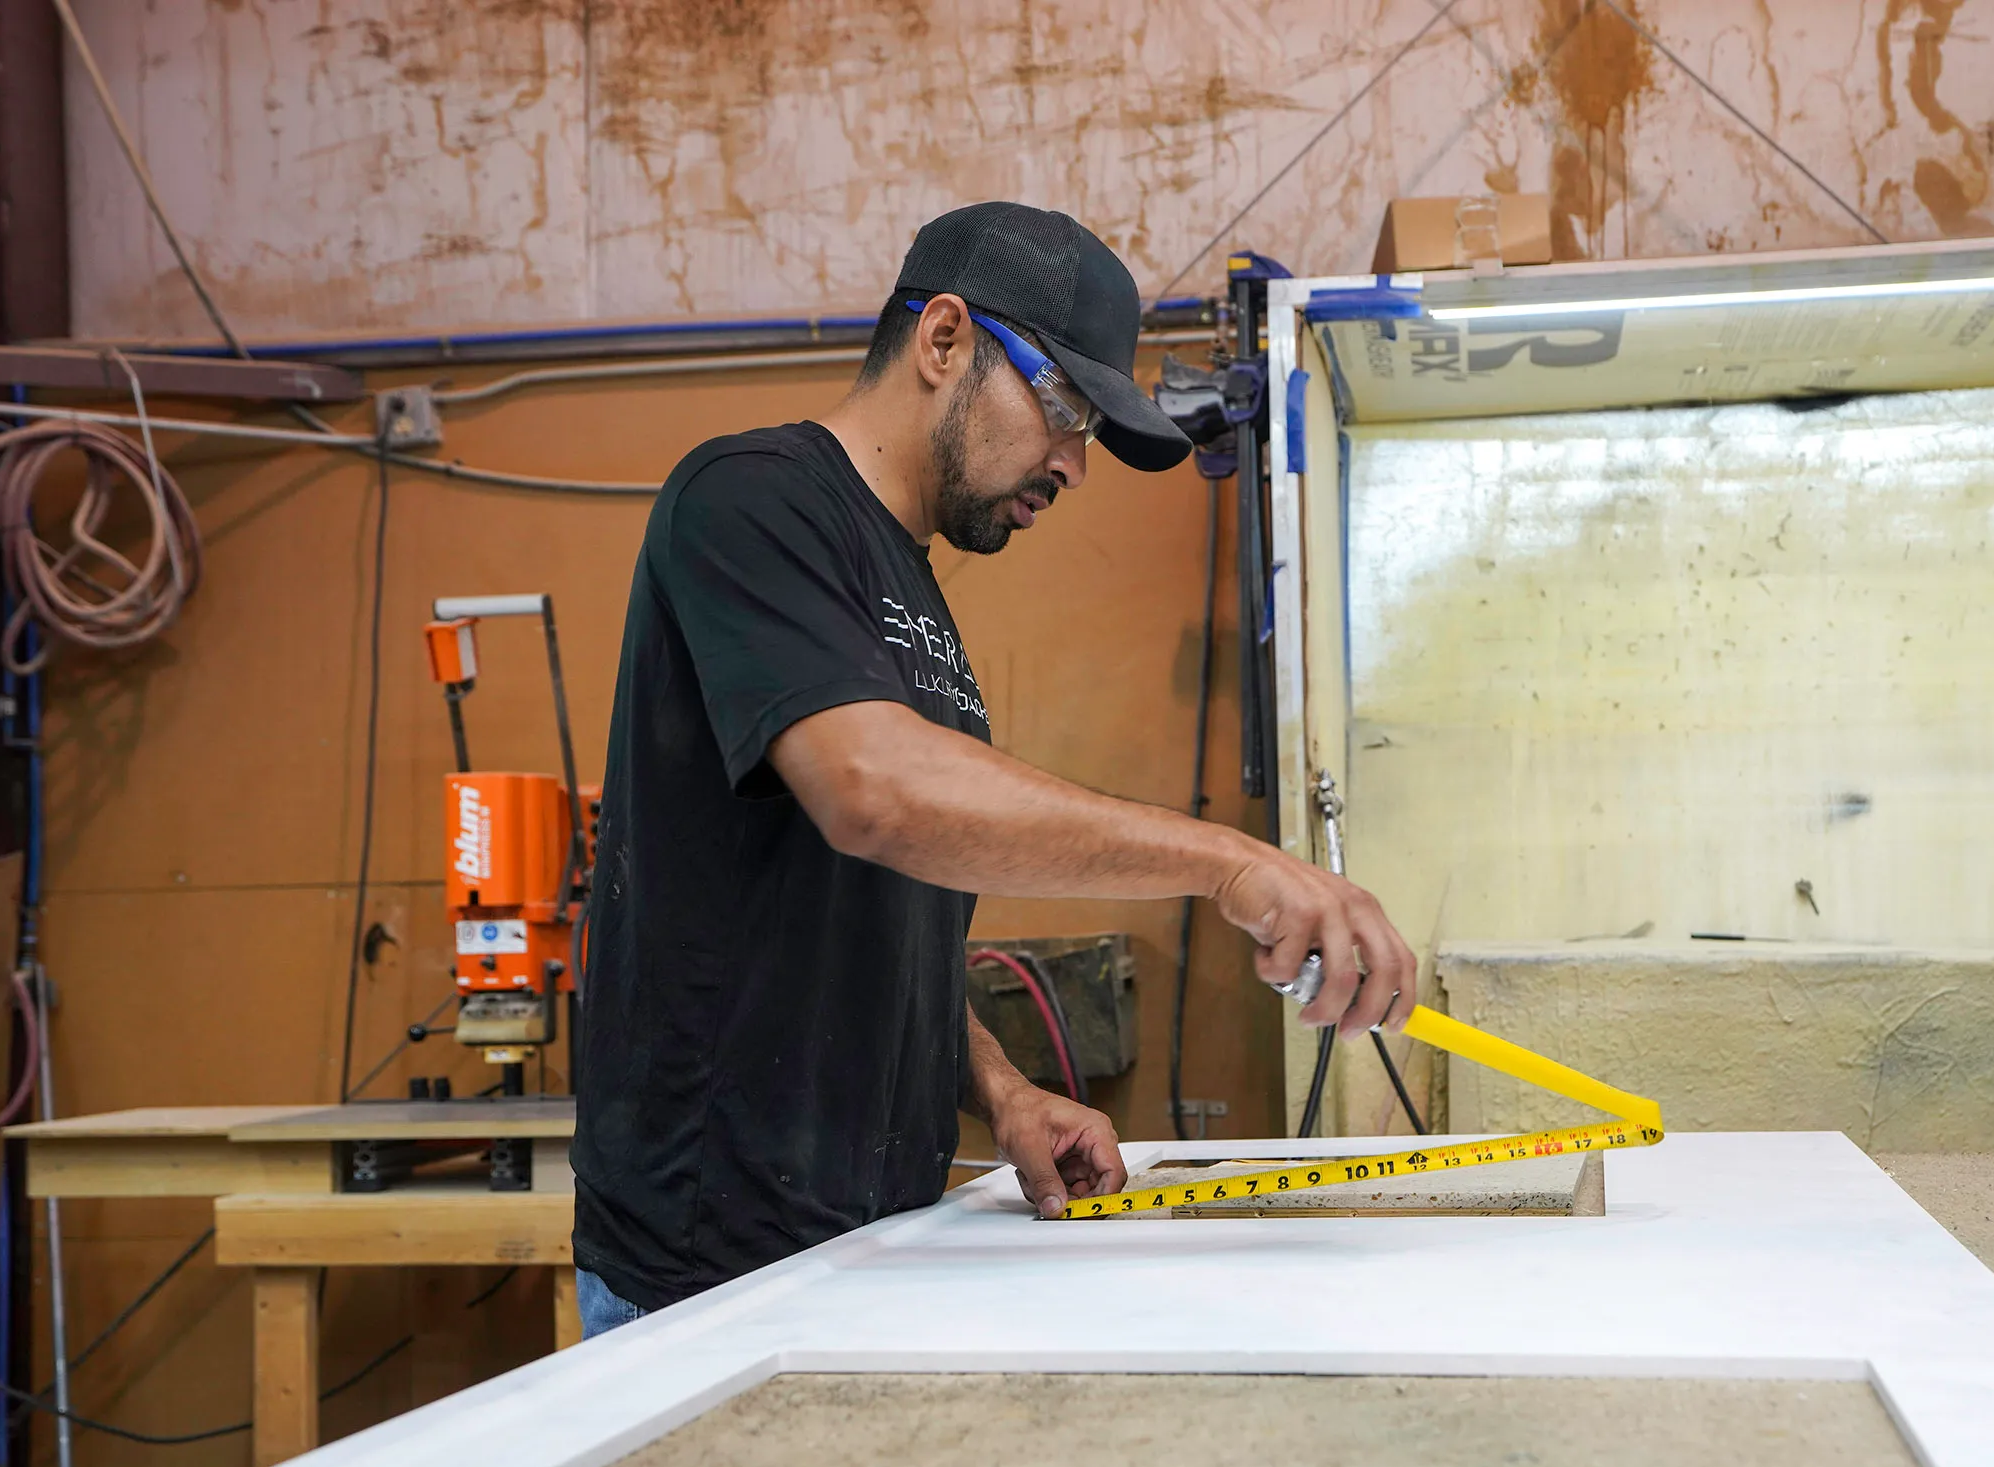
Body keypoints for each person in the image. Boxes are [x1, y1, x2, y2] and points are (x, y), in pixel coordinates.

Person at [570, 202, 1416, 1337]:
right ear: (945, 341)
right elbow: (875, 793)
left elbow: (876, 919)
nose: (1073, 463)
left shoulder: (911, 590)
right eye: (1064, 408)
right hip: (711, 1269)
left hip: (870, 1239)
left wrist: (1004, 1092)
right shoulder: (748, 496)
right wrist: (1229, 865)